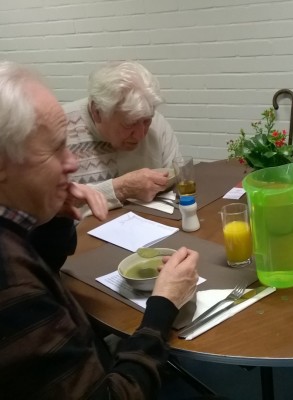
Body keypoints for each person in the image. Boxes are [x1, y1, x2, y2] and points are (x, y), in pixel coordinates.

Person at [0, 61, 200, 399]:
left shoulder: (14, 242)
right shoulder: (12, 286)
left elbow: (40, 271)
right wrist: (162, 308)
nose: (72, 163)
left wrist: (54, 218)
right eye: (54, 149)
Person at [65, 60, 181, 210]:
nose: (140, 135)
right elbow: (52, 208)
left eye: (146, 121)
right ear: (97, 112)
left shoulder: (157, 124)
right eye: (129, 124)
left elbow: (179, 182)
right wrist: (121, 188)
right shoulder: (60, 130)